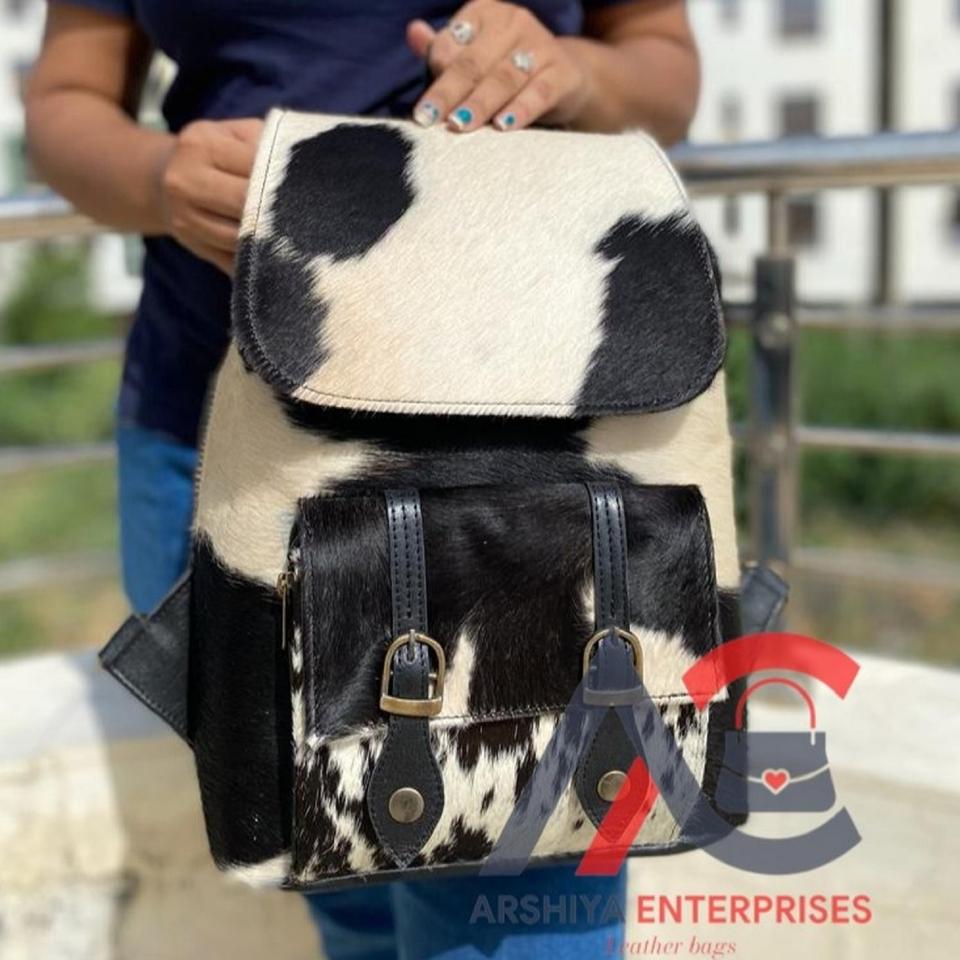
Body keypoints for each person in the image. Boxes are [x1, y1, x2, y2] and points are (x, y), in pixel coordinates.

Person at [25, 2, 700, 957]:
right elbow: (66, 98)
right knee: (333, 866)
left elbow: (664, 69)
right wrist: (159, 176)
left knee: (522, 879)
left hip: (524, 432)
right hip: (218, 433)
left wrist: (573, 73)